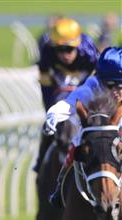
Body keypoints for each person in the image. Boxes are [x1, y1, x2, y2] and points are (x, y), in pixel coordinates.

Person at [43, 46, 122, 207]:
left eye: (121, 85)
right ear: (101, 80)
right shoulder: (92, 86)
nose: (116, 90)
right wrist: (53, 116)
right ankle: (60, 185)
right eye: (110, 84)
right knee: (77, 141)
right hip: (97, 133)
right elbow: (70, 102)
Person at [33, 17, 99, 173]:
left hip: (86, 83)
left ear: (77, 45)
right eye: (60, 49)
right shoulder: (47, 51)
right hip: (60, 84)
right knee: (50, 123)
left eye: (69, 49)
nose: (65, 54)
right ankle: (41, 161)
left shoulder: (89, 52)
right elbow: (46, 86)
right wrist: (50, 110)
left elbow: (99, 82)